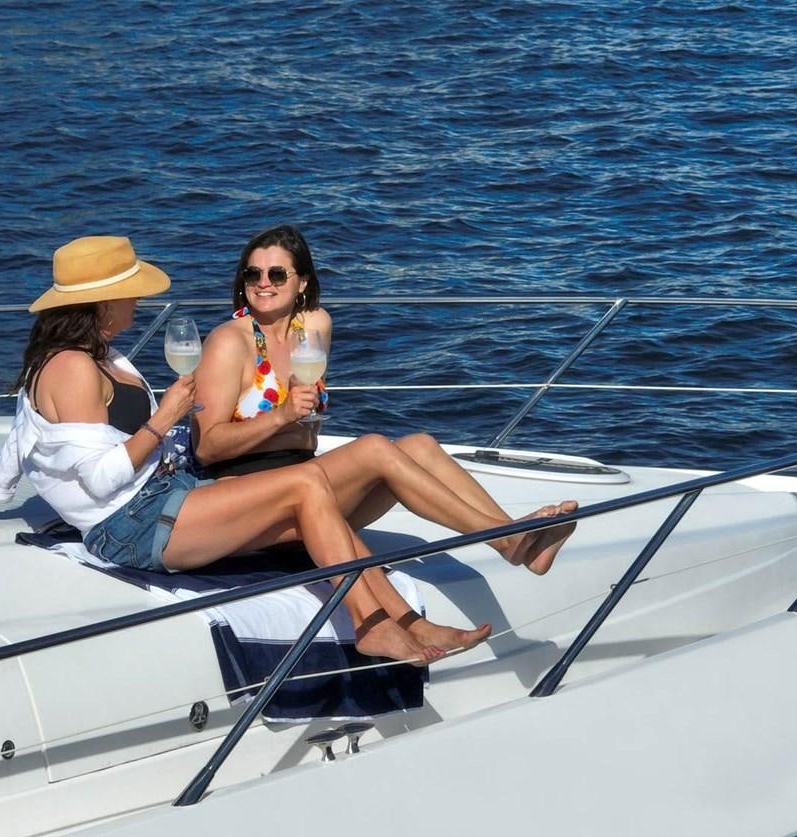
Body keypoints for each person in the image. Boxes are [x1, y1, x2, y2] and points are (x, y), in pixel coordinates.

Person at [0, 235, 491, 663]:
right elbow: (100, 480)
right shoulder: (73, 368)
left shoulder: (94, 356)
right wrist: (165, 420)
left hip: (167, 496)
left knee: (311, 486)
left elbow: (22, 438)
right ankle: (372, 627)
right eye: (132, 295)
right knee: (304, 484)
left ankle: (402, 622)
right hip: (133, 522)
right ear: (105, 303)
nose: (138, 306)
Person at [193, 224, 578, 578]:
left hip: (302, 484)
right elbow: (207, 447)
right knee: (374, 448)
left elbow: (305, 432)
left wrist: (293, 417)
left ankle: (519, 540)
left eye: (276, 274)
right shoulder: (230, 342)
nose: (263, 283)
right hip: (248, 500)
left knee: (420, 446)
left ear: (302, 283)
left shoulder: (312, 328)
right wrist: (280, 416)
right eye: (252, 273)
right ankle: (508, 541)